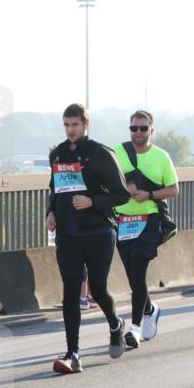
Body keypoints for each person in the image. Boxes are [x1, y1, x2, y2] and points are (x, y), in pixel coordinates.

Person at [47, 103, 131, 373]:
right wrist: (51, 212)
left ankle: (115, 325)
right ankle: (73, 353)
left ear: (86, 124)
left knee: (97, 287)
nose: (71, 130)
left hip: (98, 231)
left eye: (75, 125)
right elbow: (55, 189)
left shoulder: (101, 153)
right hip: (68, 234)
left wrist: (91, 201)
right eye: (66, 125)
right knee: (70, 290)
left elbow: (122, 195)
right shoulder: (58, 154)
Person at [113, 110, 179, 348]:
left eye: (143, 128)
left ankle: (135, 328)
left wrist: (149, 194)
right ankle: (150, 308)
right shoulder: (118, 152)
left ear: (151, 130)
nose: (138, 133)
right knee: (132, 275)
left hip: (150, 219)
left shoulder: (162, 157)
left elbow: (173, 189)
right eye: (134, 128)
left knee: (139, 268)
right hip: (123, 220)